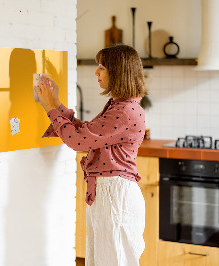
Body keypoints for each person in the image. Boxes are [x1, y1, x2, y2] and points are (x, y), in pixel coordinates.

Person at [35, 44, 147, 266]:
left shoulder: (124, 111)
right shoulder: (120, 106)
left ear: (118, 72)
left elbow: (78, 141)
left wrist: (50, 107)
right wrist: (56, 103)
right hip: (110, 193)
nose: (96, 72)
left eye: (102, 67)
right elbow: (86, 133)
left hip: (115, 195)